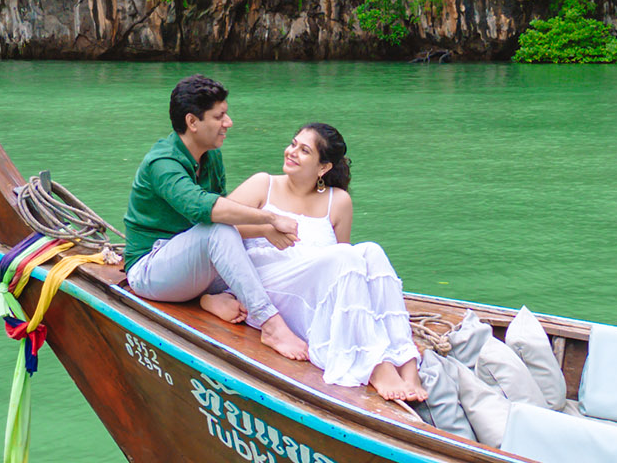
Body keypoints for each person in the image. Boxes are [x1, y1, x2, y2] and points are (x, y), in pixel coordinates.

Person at [226, 123, 426, 401]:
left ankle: (406, 362)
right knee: (346, 255)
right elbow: (218, 228)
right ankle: (377, 365)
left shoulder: (338, 201)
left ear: (323, 168)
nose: (291, 152)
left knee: (371, 251)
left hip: (316, 288)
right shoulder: (264, 185)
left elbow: (350, 273)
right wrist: (264, 229)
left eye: (304, 150)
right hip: (270, 283)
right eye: (293, 143)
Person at [124, 75, 311, 361]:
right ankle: (270, 325)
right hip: (151, 269)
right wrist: (269, 219)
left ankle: (209, 299)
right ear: (193, 122)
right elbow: (205, 210)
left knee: (257, 248)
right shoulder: (163, 163)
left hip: (191, 266)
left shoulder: (211, 156)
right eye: (219, 116)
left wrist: (265, 233)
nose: (229, 122)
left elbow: (223, 219)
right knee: (219, 232)